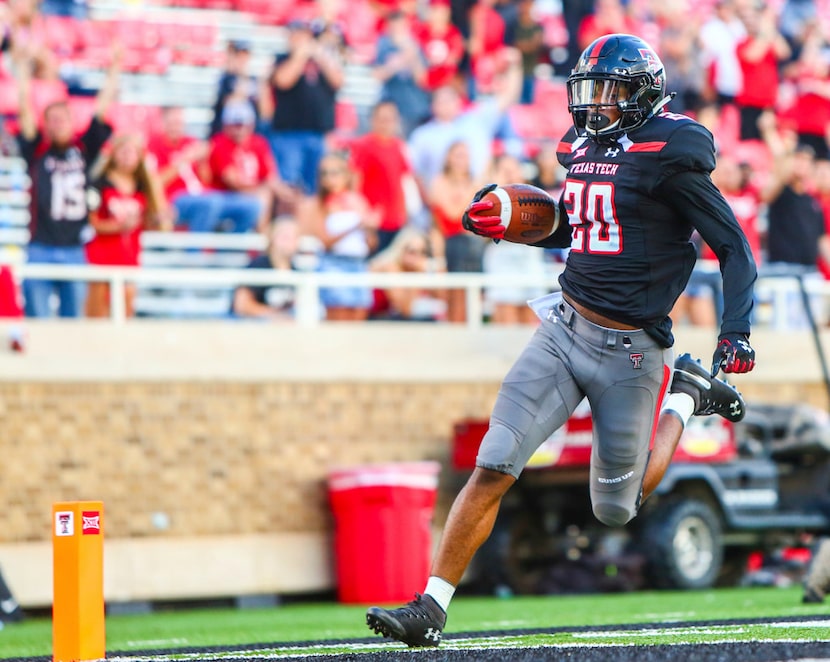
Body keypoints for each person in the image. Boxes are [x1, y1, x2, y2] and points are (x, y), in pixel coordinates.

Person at [367, 33, 757, 648]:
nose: (595, 104)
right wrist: (520, 223)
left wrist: (735, 331)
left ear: (643, 94)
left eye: (610, 91)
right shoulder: (579, 145)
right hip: (565, 330)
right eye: (590, 90)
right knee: (495, 462)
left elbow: (733, 245)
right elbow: (583, 227)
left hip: (634, 351)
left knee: (616, 509)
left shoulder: (671, 151)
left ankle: (683, 397)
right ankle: (431, 608)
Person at [13, 41, 119, 318]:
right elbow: (24, 107)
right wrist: (23, 68)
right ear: (45, 125)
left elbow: (102, 109)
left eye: (63, 119)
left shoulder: (83, 149)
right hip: (40, 246)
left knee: (73, 327)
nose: (59, 123)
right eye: (53, 119)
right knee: (37, 323)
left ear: (72, 123)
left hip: (74, 248)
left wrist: (115, 68)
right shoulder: (37, 151)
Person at [85, 132, 170, 318]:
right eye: (123, 151)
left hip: (129, 257)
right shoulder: (100, 184)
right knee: (96, 316)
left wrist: (159, 219)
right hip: (102, 258)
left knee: (126, 313)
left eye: (131, 152)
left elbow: (151, 223)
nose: (126, 156)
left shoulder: (142, 186)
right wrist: (119, 226)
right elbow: (92, 223)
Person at [265, 18, 344, 194]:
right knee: (289, 185)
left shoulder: (323, 60)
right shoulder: (282, 59)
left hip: (318, 134)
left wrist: (320, 55)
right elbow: (283, 80)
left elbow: (338, 81)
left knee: (317, 186)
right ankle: (287, 220)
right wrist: (300, 55)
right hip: (289, 135)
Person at [297, 152, 379, 321]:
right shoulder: (316, 204)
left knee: (359, 314)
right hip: (333, 263)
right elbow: (324, 241)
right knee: (338, 318)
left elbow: (370, 244)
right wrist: (356, 226)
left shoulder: (358, 201)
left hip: (357, 264)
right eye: (325, 173)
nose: (329, 178)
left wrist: (369, 230)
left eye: (334, 173)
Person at [200, 100, 294, 234]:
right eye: (236, 125)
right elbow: (232, 181)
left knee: (291, 198)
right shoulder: (220, 143)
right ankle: (262, 236)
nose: (240, 130)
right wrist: (262, 188)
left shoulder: (259, 143)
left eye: (243, 125)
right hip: (225, 195)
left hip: (251, 193)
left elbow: (270, 175)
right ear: (226, 126)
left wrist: (285, 193)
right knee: (263, 196)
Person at [427, 140, 486, 324]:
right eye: (458, 155)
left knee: (472, 300)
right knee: (455, 297)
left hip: (473, 245)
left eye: (465, 156)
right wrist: (471, 192)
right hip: (452, 245)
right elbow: (453, 215)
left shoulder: (475, 183)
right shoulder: (439, 182)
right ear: (448, 158)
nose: (462, 160)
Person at [350, 101, 416, 255]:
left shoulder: (398, 146)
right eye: (382, 119)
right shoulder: (364, 145)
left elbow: (403, 181)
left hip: (396, 220)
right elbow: (355, 183)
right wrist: (363, 217)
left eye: (391, 119)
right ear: (373, 120)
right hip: (374, 222)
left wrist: (405, 213)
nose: (387, 124)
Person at [368, 226, 446, 321]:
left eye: (423, 252)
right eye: (412, 251)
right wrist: (418, 274)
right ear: (401, 249)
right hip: (373, 321)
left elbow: (442, 298)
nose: (418, 257)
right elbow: (405, 309)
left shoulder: (412, 269)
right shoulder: (391, 267)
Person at [232, 216, 301, 320]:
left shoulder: (296, 271)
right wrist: (274, 316)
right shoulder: (257, 267)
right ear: (272, 237)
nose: (290, 242)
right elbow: (242, 305)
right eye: (285, 237)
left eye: (294, 237)